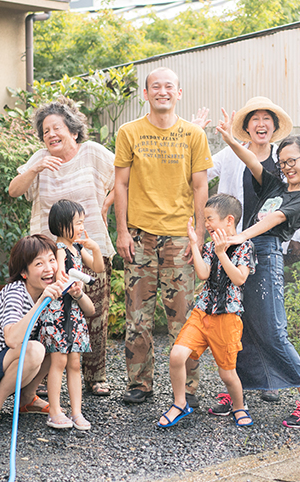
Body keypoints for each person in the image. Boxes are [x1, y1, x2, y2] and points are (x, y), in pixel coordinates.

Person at [215, 109, 300, 428]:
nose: (288, 167)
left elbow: (273, 219)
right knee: (245, 327)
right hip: (247, 253)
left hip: (266, 254)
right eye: (284, 162)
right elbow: (252, 162)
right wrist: (229, 139)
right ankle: (241, 392)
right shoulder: (277, 185)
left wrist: (239, 235)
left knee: (274, 331)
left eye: (294, 161)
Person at [114, 67, 213, 405]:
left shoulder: (193, 135)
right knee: (137, 316)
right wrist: (122, 231)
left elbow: (201, 186)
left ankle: (187, 388)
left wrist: (198, 235)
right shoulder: (129, 132)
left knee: (183, 319)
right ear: (146, 94)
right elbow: (121, 184)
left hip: (179, 239)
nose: (162, 91)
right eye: (155, 86)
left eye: (169, 86)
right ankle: (139, 384)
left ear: (179, 93)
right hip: (139, 237)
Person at [9, 96, 115, 397]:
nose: (51, 135)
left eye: (57, 128)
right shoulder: (39, 158)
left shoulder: (92, 152)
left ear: (73, 131)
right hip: (49, 252)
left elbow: (125, 173)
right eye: (45, 131)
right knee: (49, 311)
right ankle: (44, 375)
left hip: (88, 245)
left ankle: (95, 376)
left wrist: (108, 202)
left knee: (93, 310)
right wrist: (35, 168)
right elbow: (14, 190)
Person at [0, 234, 79, 433]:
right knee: (34, 349)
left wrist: (76, 294)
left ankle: (27, 398)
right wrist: (40, 302)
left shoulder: (49, 292)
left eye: (52, 260)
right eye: (39, 263)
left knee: (54, 340)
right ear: (24, 272)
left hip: (3, 369)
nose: (49, 268)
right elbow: (11, 339)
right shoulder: (15, 292)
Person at [158, 194, 256, 428]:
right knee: (176, 355)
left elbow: (239, 279)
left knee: (227, 374)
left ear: (229, 220)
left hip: (227, 317)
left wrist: (223, 253)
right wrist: (194, 242)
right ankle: (180, 403)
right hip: (202, 313)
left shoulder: (245, 246)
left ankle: (239, 406)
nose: (207, 224)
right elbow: (203, 273)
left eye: (210, 219)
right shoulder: (211, 246)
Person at [42, 200, 99, 430]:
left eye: (82, 222)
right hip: (58, 311)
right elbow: (60, 276)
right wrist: (71, 285)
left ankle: (76, 412)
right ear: (62, 225)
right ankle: (54, 411)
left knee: (75, 362)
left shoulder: (77, 248)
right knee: (59, 360)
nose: (81, 227)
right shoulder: (59, 249)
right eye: (77, 223)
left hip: (74, 310)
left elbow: (98, 268)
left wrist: (93, 247)